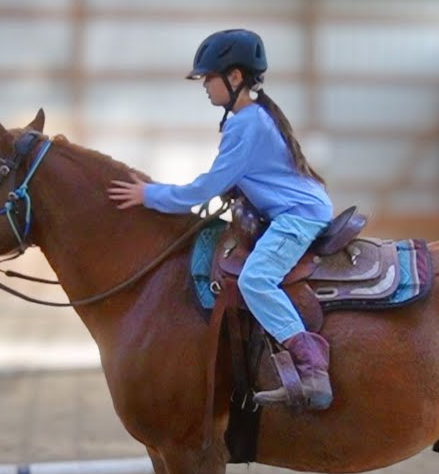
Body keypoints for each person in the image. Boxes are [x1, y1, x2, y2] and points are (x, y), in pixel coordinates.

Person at [108, 28, 334, 411]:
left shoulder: (247, 123)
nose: (205, 86)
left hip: (297, 216)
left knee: (256, 279)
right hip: (295, 209)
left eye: (208, 78)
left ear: (234, 78)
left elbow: (206, 188)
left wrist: (150, 194)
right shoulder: (253, 117)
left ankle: (312, 363)